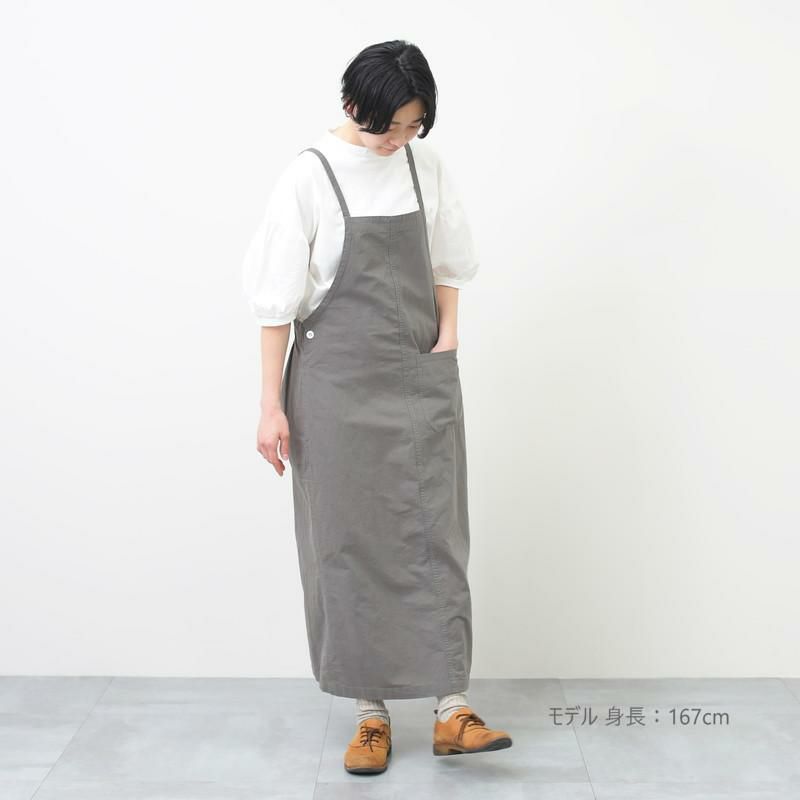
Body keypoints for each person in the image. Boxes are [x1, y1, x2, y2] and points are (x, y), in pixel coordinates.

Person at [241, 39, 512, 774]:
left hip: (420, 376)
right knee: (348, 542)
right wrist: (270, 406)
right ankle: (370, 715)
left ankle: (452, 709)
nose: (398, 140)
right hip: (332, 387)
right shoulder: (309, 176)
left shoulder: (426, 166)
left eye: (412, 126)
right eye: (387, 127)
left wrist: (446, 340)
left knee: (435, 536)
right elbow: (275, 305)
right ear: (351, 105)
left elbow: (451, 262)